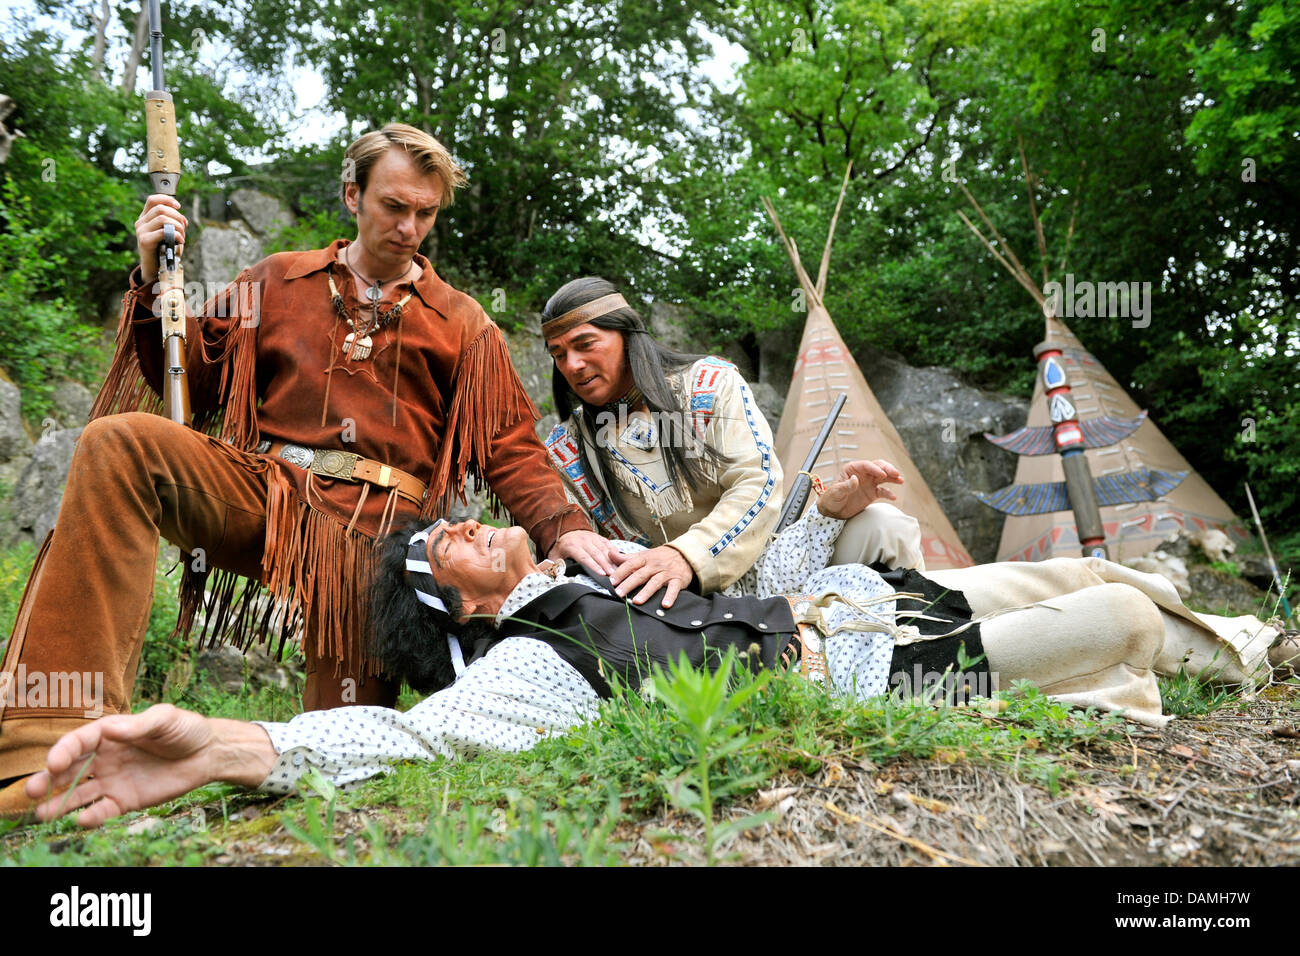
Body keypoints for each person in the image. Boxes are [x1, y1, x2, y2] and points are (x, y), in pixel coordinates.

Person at [30, 460, 1275, 829]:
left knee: (1083, 569)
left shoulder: (599, 568)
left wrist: (824, 515)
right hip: (869, 667)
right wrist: (228, 745)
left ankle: (1250, 632)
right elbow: (409, 732)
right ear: (456, 604)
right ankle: (1253, 658)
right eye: (448, 541)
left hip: (845, 606)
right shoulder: (525, 663)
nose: (470, 524)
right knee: (1115, 619)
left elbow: (753, 588)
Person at [0, 124, 611, 816]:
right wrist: (152, 278)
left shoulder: (463, 323)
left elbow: (510, 446)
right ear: (353, 194)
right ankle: (40, 752)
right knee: (120, 446)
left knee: (335, 759)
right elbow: (190, 380)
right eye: (394, 206)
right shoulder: (277, 281)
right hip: (266, 494)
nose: (411, 227)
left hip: (382, 544)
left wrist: (565, 529)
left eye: (427, 213)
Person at [539, 276, 925, 608]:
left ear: (626, 336)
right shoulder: (565, 449)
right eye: (559, 354)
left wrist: (687, 556)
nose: (572, 364)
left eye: (585, 344)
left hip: (768, 561)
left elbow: (755, 480)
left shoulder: (709, 384)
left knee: (884, 524)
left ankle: (920, 648)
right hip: (667, 605)